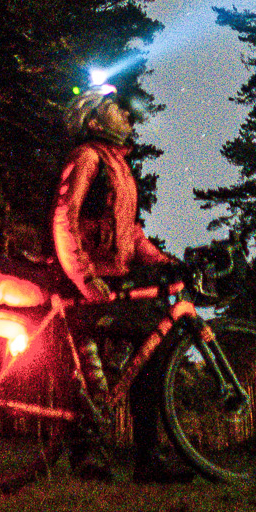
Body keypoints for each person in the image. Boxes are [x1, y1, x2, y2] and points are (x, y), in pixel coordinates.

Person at [52, 81, 196, 484]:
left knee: (134, 357)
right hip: (85, 285)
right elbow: (65, 216)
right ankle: (102, 459)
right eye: (117, 109)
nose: (129, 116)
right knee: (91, 368)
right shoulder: (87, 158)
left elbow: (131, 236)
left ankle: (141, 458)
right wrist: (84, 278)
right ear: (95, 118)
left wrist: (169, 263)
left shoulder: (118, 165)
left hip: (113, 281)